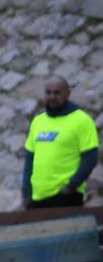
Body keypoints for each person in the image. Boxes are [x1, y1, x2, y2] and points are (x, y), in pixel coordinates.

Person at [22, 77, 98, 209]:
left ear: (67, 94)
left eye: (57, 93)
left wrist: (71, 186)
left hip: (66, 197)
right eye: (48, 92)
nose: (52, 96)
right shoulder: (38, 121)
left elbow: (90, 158)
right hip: (37, 197)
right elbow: (30, 159)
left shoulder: (82, 121)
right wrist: (26, 192)